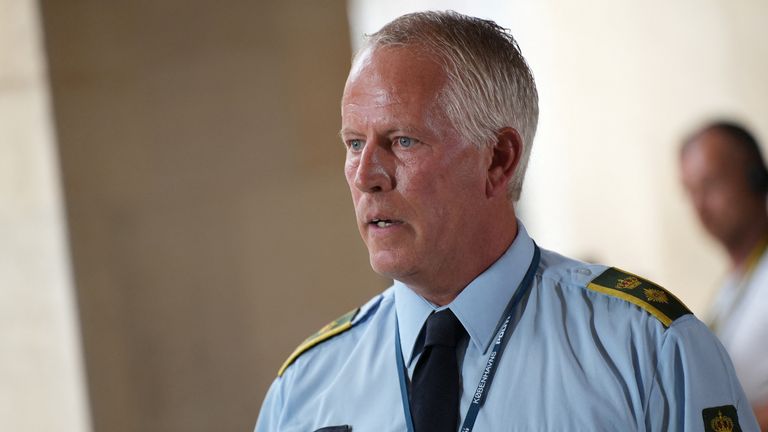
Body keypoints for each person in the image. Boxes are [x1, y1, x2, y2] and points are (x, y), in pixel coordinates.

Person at [256, 11, 758, 431]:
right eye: (354, 143)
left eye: (402, 140)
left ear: (498, 159)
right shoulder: (304, 390)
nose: (366, 176)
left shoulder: (647, 351)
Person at [680, 121, 768, 430]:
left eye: (711, 185)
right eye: (690, 192)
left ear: (756, 177)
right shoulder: (732, 286)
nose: (700, 207)